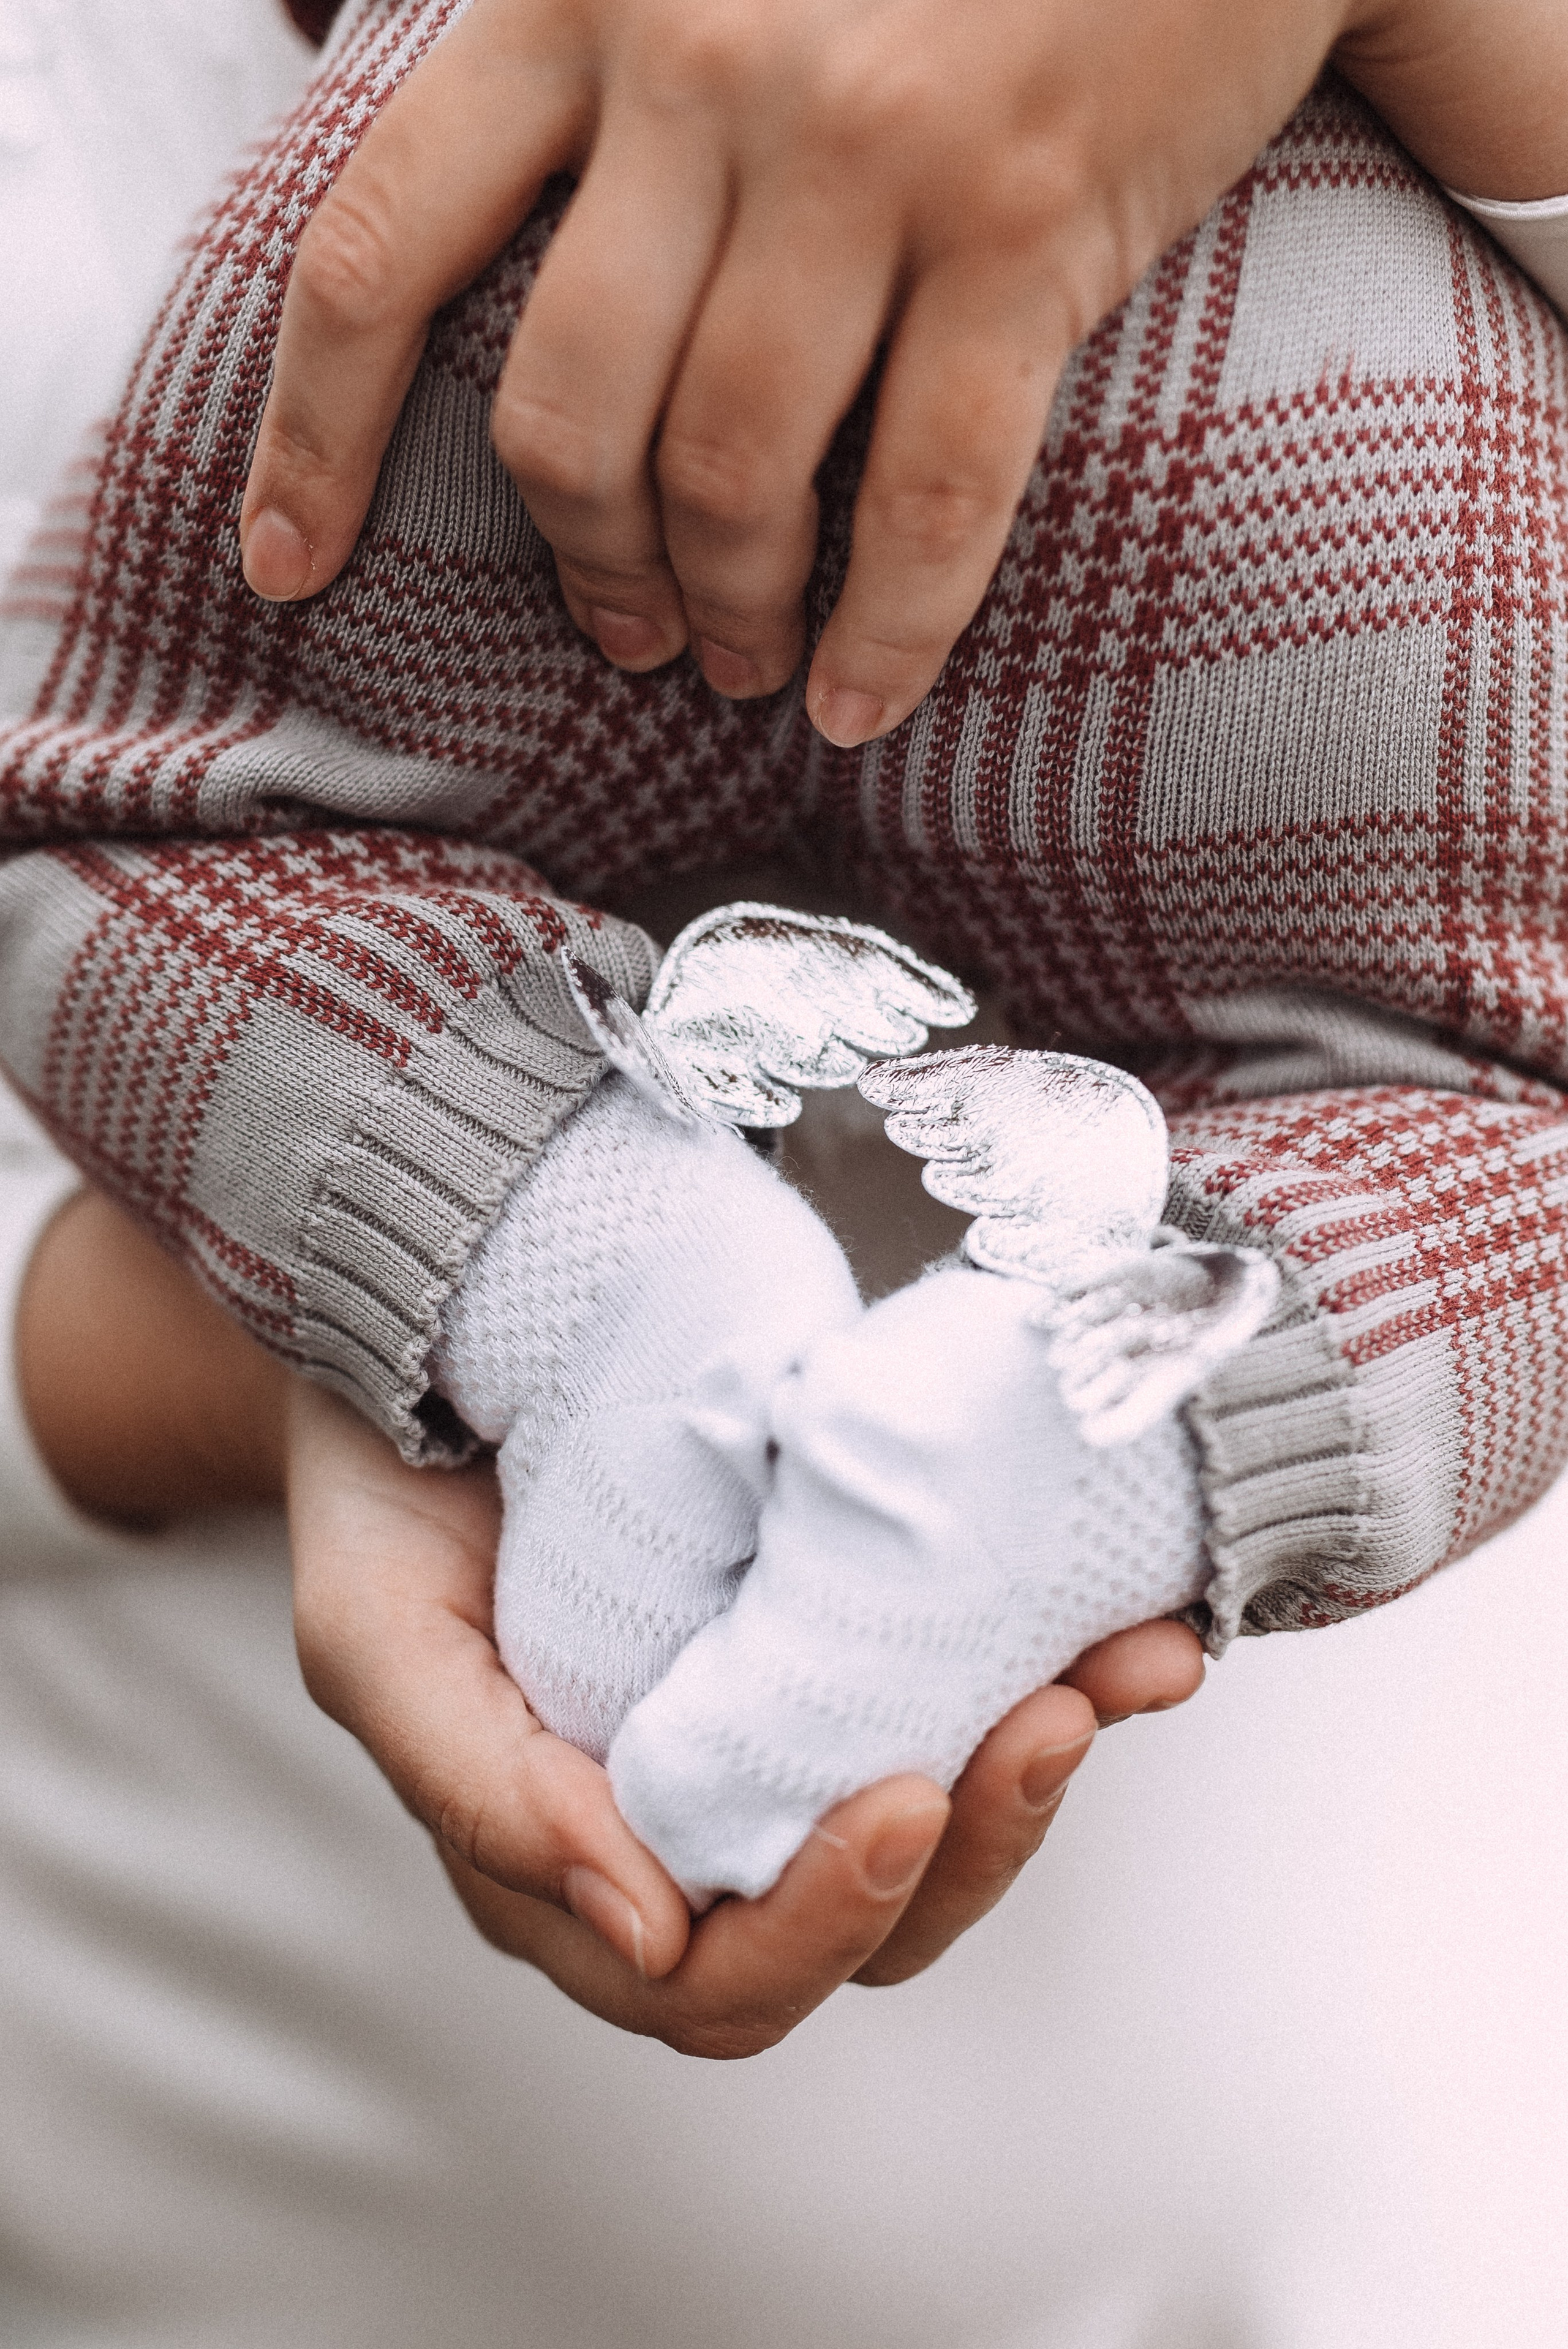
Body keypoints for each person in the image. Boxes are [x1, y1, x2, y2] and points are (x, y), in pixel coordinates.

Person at [6, 0, 1568, 1946]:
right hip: (1305, 400)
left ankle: (584, 1234)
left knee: (142, 849)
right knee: (1497, 1111)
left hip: (502, 243)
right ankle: (1097, 1415)